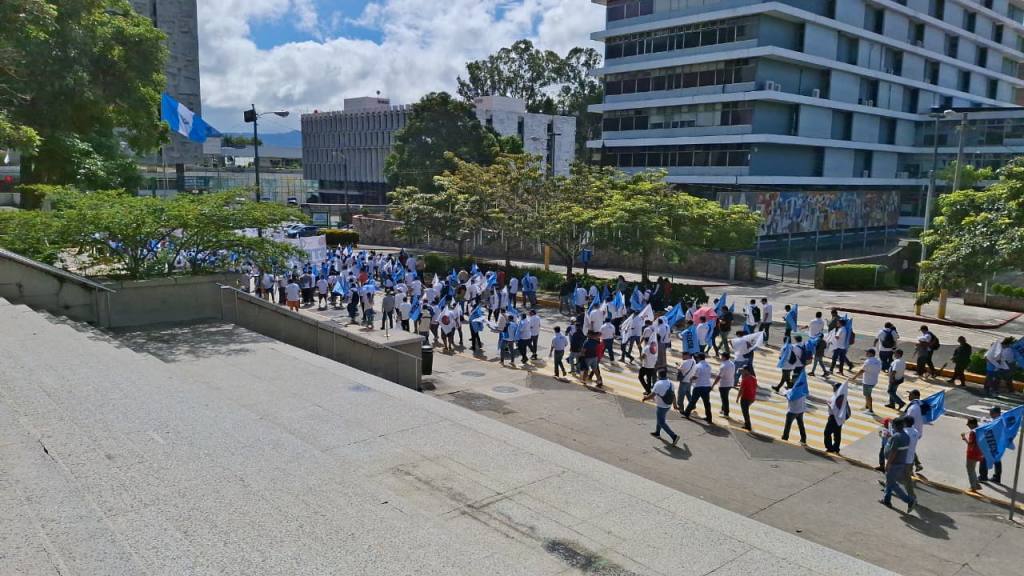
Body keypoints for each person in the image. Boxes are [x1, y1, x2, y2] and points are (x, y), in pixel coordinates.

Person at [880, 417, 917, 512]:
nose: (892, 427)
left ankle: (909, 500)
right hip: (900, 463)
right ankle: (886, 500)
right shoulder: (905, 436)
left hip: (894, 464)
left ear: (896, 426)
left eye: (893, 425)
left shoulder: (896, 437)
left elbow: (893, 452)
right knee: (889, 482)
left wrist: (887, 464)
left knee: (892, 484)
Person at [643, 369, 679, 446]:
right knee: (660, 419)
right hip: (668, 406)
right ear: (665, 375)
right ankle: (657, 432)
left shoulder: (658, 383)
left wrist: (645, 398)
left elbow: (652, 395)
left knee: (661, 422)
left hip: (661, 406)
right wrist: (675, 405)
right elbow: (673, 395)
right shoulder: (670, 383)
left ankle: (674, 436)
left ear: (658, 375)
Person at [683, 353, 713, 424]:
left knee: (693, 401)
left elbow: (695, 377)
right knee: (707, 403)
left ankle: (687, 413)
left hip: (699, 386)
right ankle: (709, 418)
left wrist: (690, 379)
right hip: (707, 386)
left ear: (698, 358)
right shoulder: (708, 365)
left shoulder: (698, 366)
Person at [979, 407, 1003, 484]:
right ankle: (997, 477)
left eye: (992, 413)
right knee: (997, 459)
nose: (990, 414)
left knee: (984, 458)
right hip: (997, 443)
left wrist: (985, 423)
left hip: (992, 442)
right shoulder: (1000, 419)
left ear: (997, 413)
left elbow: (992, 428)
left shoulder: (999, 421)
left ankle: (983, 476)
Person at [824, 382, 850, 454]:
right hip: (839, 418)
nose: (833, 388)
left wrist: (829, 404)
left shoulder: (839, 397)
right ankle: (836, 448)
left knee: (827, 432)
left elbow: (835, 408)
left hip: (834, 417)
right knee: (837, 433)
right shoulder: (841, 396)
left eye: (834, 387)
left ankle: (830, 448)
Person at [904, 390, 925, 472]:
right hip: (917, 431)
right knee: (911, 448)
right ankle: (917, 464)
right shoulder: (918, 405)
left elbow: (907, 420)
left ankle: (911, 468)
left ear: (915, 396)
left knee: (909, 449)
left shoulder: (913, 408)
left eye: (910, 394)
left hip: (912, 432)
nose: (909, 396)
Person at [962, 417, 984, 492]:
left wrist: (964, 438)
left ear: (972, 424)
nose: (968, 426)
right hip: (979, 452)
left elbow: (970, 444)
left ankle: (973, 486)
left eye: (969, 424)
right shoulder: (980, 429)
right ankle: (977, 484)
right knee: (973, 469)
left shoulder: (973, 432)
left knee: (970, 469)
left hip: (972, 453)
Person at [714, 353, 736, 419]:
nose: (720, 357)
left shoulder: (723, 366)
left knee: (724, 399)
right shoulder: (732, 363)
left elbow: (719, 376)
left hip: (724, 384)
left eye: (721, 356)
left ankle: (726, 413)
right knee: (725, 397)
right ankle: (723, 410)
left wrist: (713, 384)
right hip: (730, 383)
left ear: (724, 357)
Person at [737, 365, 758, 431]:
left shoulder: (745, 379)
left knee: (745, 412)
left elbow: (741, 390)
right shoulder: (754, 378)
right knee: (746, 410)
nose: (742, 371)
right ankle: (747, 423)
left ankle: (748, 425)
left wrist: (737, 398)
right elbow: (755, 386)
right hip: (752, 398)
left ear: (746, 371)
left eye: (743, 370)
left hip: (745, 397)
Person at [861, 348, 882, 414]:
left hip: (867, 381)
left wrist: (854, 377)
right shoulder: (878, 361)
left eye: (867, 352)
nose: (866, 353)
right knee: (868, 394)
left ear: (871, 354)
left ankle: (870, 410)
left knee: (868, 395)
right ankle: (867, 406)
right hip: (874, 381)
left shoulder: (868, 361)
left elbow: (862, 370)